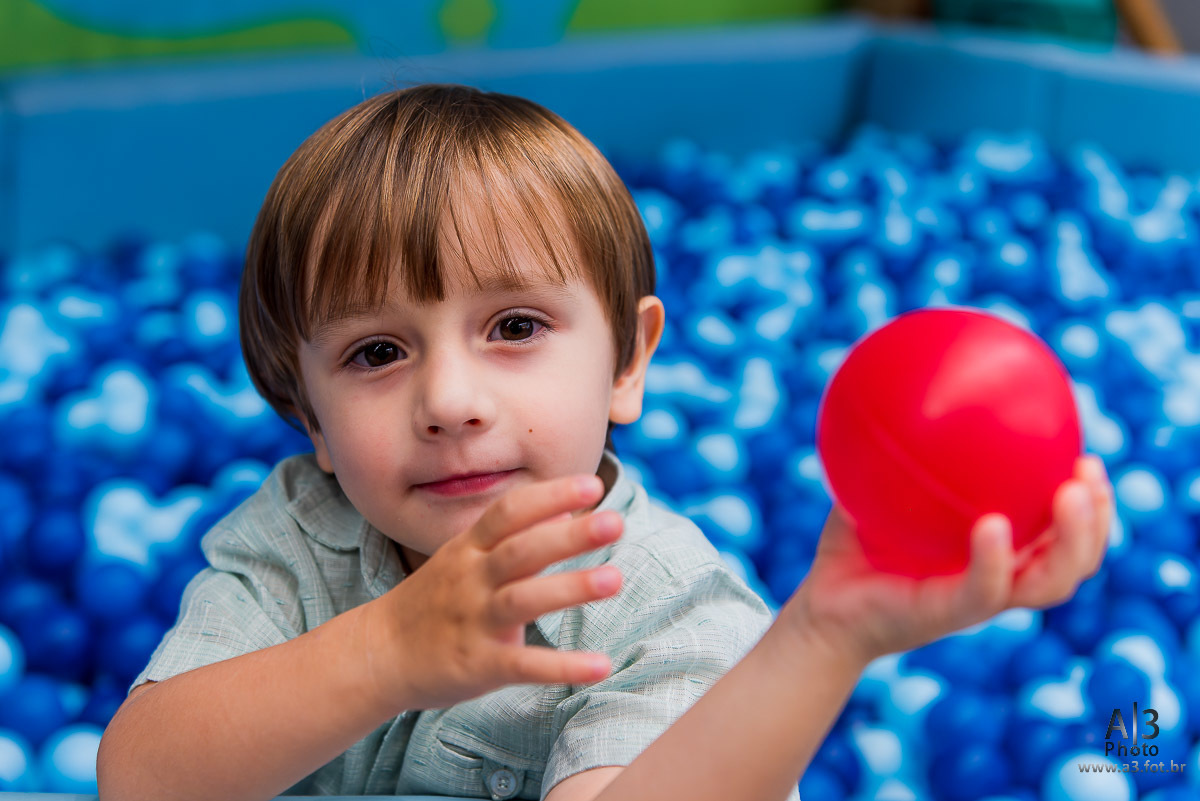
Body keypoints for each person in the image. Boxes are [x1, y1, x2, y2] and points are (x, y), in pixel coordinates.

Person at [96, 83, 1112, 801]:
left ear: (630, 360)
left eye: (515, 328)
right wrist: (387, 654)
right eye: (376, 352)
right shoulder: (296, 543)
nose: (449, 400)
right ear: (307, 415)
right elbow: (142, 780)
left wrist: (822, 638)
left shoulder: (665, 598)